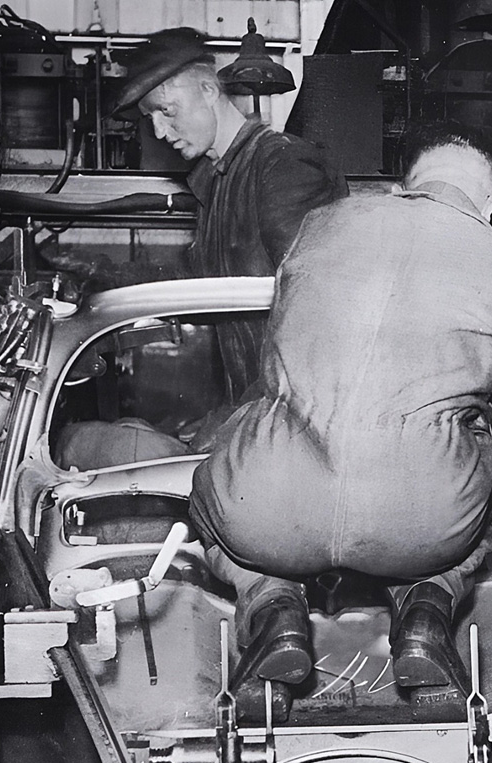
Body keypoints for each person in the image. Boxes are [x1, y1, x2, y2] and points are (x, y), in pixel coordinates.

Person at [189, 121, 492, 712]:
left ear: (407, 184)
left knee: (212, 487)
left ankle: (271, 603)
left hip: (268, 514)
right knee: (486, 468)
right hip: (425, 524)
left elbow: (278, 368)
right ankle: (427, 607)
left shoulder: (316, 231)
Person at [56, 27, 347, 467]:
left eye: (166, 111)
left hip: (298, 426)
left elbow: (314, 317)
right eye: (149, 118)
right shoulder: (221, 180)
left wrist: (238, 417)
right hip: (261, 417)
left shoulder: (283, 166)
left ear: (209, 89)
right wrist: (101, 274)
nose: (157, 130)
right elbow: (200, 284)